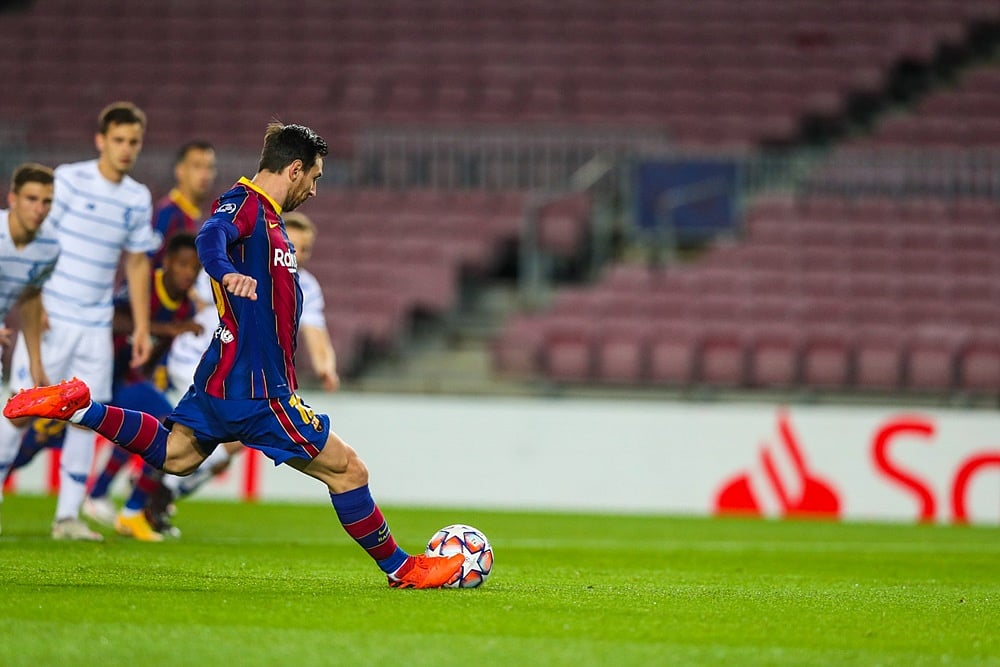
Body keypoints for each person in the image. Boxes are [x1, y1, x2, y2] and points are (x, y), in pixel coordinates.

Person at [5, 121, 464, 588]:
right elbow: (210, 236)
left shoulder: (268, 218)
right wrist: (225, 273)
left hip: (222, 376)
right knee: (348, 470)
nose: (314, 189)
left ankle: (80, 408)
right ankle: (404, 569)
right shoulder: (246, 204)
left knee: (177, 454)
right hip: (258, 387)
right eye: (314, 178)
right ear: (295, 169)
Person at [1, 101, 161, 541]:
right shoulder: (69, 180)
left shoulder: (136, 197)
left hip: (95, 326)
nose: (126, 149)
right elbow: (39, 234)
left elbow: (136, 262)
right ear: (101, 140)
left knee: (85, 416)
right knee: (19, 410)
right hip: (52, 316)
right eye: (119, 140)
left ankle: (67, 517)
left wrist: (141, 326)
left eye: (134, 142)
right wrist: (36, 300)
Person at [10, 233, 202, 541]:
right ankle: (99, 496)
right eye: (182, 264)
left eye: (194, 267)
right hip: (99, 374)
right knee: (34, 442)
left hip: (127, 381)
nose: (188, 273)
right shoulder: (146, 287)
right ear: (166, 263)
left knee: (166, 426)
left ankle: (128, 510)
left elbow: (154, 350)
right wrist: (166, 328)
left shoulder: (185, 309)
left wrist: (147, 375)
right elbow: (113, 319)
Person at [0, 163, 59, 535]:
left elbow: (31, 298)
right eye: (31, 199)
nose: (39, 209)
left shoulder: (48, 247)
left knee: (11, 419)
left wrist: (37, 363)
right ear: (12, 198)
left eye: (46, 201)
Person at [150, 140, 217, 267]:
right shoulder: (168, 213)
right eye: (197, 166)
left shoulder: (198, 217)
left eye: (209, 167)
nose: (205, 174)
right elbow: (148, 264)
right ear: (180, 170)